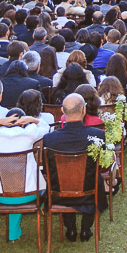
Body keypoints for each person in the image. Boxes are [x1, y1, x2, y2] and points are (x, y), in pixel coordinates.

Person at [41, 94, 110, 242]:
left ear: (62, 111)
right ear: (84, 111)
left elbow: (46, 171)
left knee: (64, 179)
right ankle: (85, 229)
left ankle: (71, 229)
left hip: (59, 193)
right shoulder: (97, 135)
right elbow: (104, 165)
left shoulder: (49, 139)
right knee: (94, 177)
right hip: (89, 193)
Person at [0, 107, 50, 242]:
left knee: (12, 184)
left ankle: (13, 233)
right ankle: (36, 210)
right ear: (24, 122)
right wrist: (33, 120)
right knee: (27, 185)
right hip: (29, 195)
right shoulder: (30, 132)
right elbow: (46, 127)